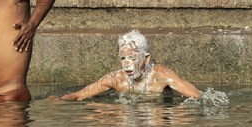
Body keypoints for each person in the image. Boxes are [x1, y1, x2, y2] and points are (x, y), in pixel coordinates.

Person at [60, 30, 201, 101]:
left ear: (146, 59)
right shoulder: (116, 79)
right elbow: (79, 95)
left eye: (132, 58)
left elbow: (197, 97)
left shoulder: (162, 76)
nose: (126, 64)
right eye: (123, 58)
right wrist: (58, 101)